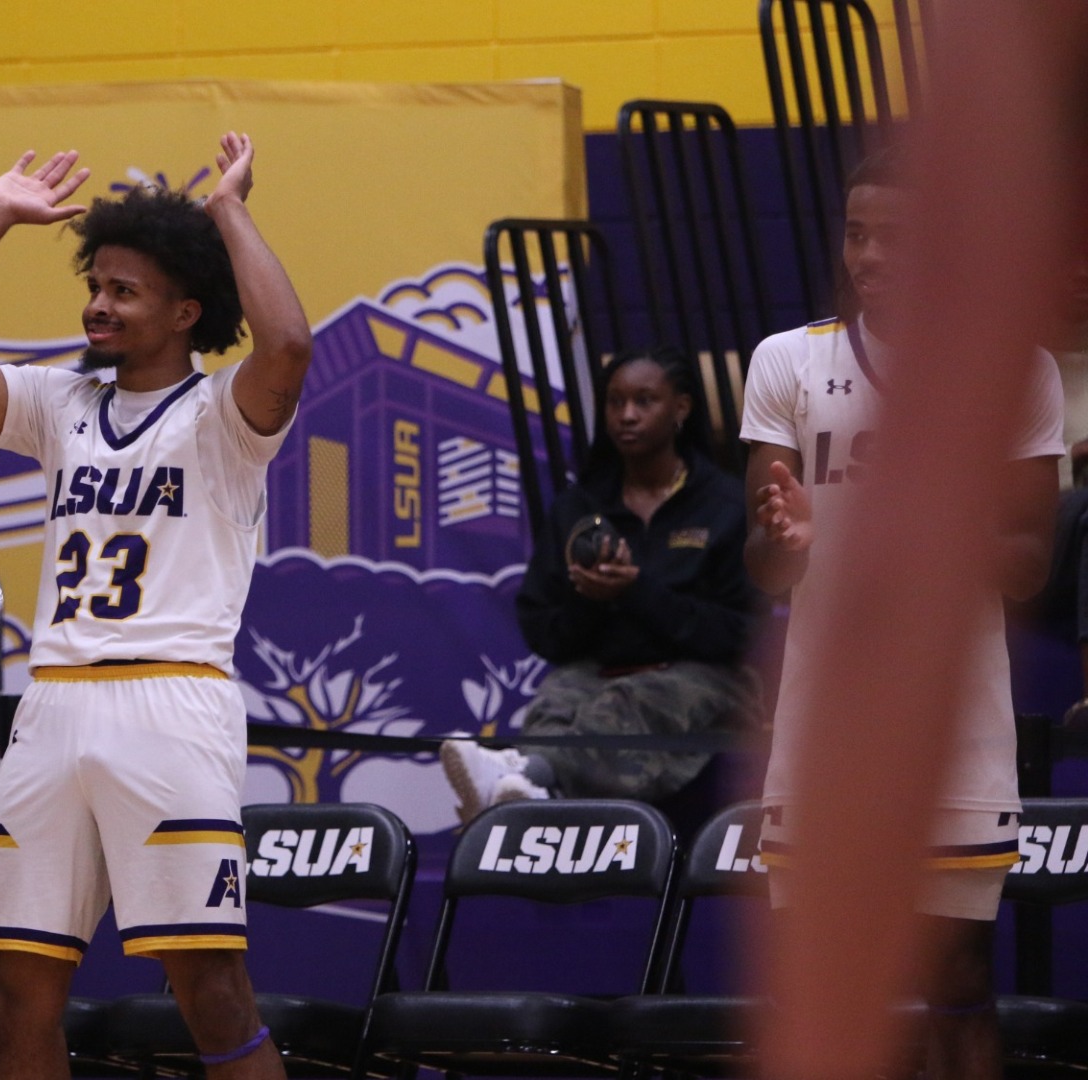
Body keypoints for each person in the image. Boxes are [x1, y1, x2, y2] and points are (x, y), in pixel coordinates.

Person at [0, 133, 311, 1080]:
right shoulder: (56, 404)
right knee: (10, 991)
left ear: (186, 311)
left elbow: (290, 342)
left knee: (211, 989)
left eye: (125, 291)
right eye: (96, 284)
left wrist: (227, 210)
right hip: (54, 708)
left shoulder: (226, 418)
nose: (98, 304)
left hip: (171, 705)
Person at [742, 147, 1063, 1080]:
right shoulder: (787, 362)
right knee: (820, 987)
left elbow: (1029, 566)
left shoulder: (1013, 371)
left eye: (895, 235)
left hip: (955, 717)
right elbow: (762, 569)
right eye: (856, 232)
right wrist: (788, 540)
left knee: (960, 978)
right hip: (824, 719)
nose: (869, 254)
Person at [440, 346, 757, 819]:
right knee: (556, 702)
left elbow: (743, 635)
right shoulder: (579, 506)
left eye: (644, 401)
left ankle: (527, 778)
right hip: (597, 666)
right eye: (615, 401)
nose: (626, 415)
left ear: (681, 409)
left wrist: (636, 592)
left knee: (632, 700)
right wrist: (590, 599)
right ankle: (530, 791)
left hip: (709, 676)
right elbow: (544, 630)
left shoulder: (727, 505)